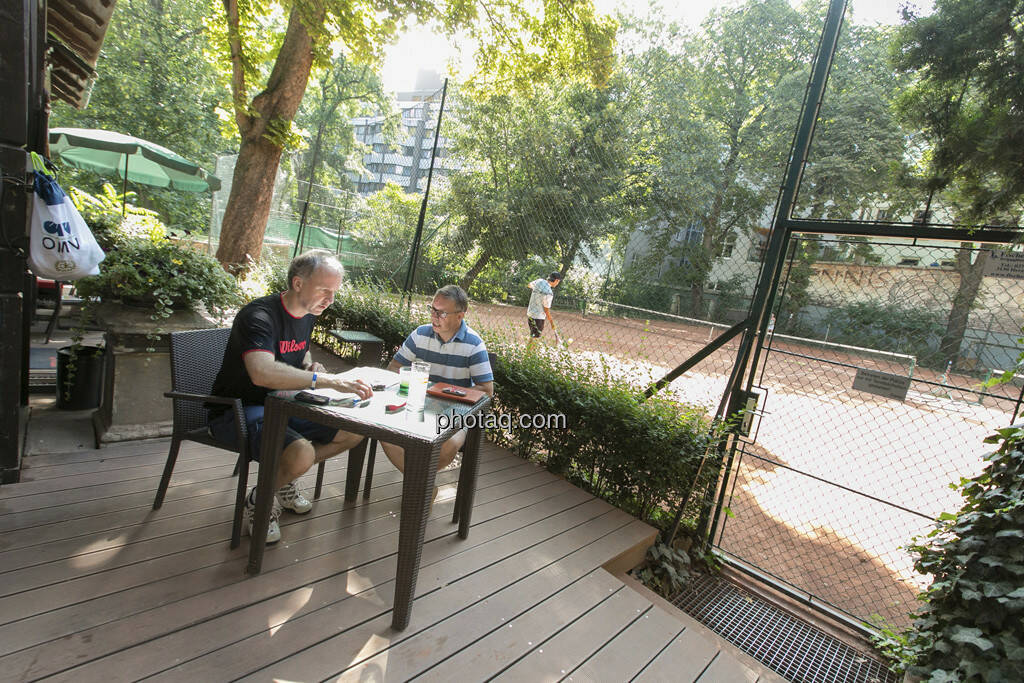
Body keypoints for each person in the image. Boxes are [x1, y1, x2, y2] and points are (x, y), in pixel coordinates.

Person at [207, 251, 373, 543]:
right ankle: (263, 499)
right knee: (302, 452)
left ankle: (275, 482)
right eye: (324, 290)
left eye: (334, 292)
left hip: (284, 403)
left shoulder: (307, 313)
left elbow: (298, 351)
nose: (330, 300)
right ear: (298, 284)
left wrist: (309, 365)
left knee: (354, 430)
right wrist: (324, 380)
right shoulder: (259, 316)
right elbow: (261, 372)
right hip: (237, 411)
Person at [380, 285, 493, 485]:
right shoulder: (420, 335)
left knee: (447, 443)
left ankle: (417, 484)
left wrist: (441, 393)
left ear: (460, 316)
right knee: (384, 431)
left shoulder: (474, 344)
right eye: (432, 309)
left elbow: (487, 390)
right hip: (416, 405)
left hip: (454, 413)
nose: (434, 316)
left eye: (441, 313)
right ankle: (422, 486)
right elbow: (394, 367)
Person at [526, 272, 562, 344]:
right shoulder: (549, 292)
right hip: (538, 317)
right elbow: (546, 310)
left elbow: (529, 285)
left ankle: (529, 353)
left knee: (532, 336)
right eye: (558, 282)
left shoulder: (539, 281)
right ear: (556, 280)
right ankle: (529, 354)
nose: (557, 284)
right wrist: (552, 323)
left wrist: (537, 290)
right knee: (535, 339)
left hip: (530, 314)